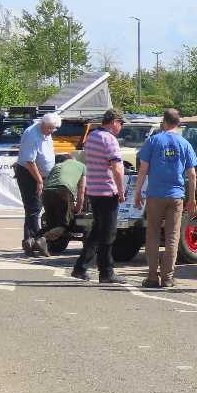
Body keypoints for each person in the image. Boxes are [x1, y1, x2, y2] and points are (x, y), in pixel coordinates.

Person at [134, 108, 197, 289]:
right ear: (178, 123)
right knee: (172, 236)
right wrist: (192, 198)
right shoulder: (184, 143)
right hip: (176, 195)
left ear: (164, 122)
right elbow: (192, 174)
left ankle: (152, 277)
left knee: (153, 234)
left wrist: (138, 192)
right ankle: (168, 277)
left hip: (155, 195)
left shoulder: (153, 141)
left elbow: (143, 169)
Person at [71, 110, 125, 284]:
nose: (121, 127)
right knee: (108, 233)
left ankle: (81, 267)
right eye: (121, 123)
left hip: (94, 189)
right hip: (108, 190)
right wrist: (121, 190)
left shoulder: (92, 136)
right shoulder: (109, 139)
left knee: (97, 231)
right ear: (114, 121)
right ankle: (106, 271)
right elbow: (116, 167)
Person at [15, 112, 61, 256]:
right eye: (50, 128)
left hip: (39, 173)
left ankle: (29, 242)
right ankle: (38, 240)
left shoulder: (46, 132)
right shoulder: (32, 134)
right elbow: (29, 161)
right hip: (30, 174)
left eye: (54, 129)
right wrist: (39, 180)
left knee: (33, 209)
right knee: (34, 208)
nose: (52, 132)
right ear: (43, 124)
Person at [40, 155, 86, 252]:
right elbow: (81, 190)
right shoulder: (82, 166)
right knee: (64, 225)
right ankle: (41, 239)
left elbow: (46, 182)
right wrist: (78, 208)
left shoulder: (57, 166)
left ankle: (31, 240)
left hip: (46, 192)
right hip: (63, 191)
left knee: (51, 224)